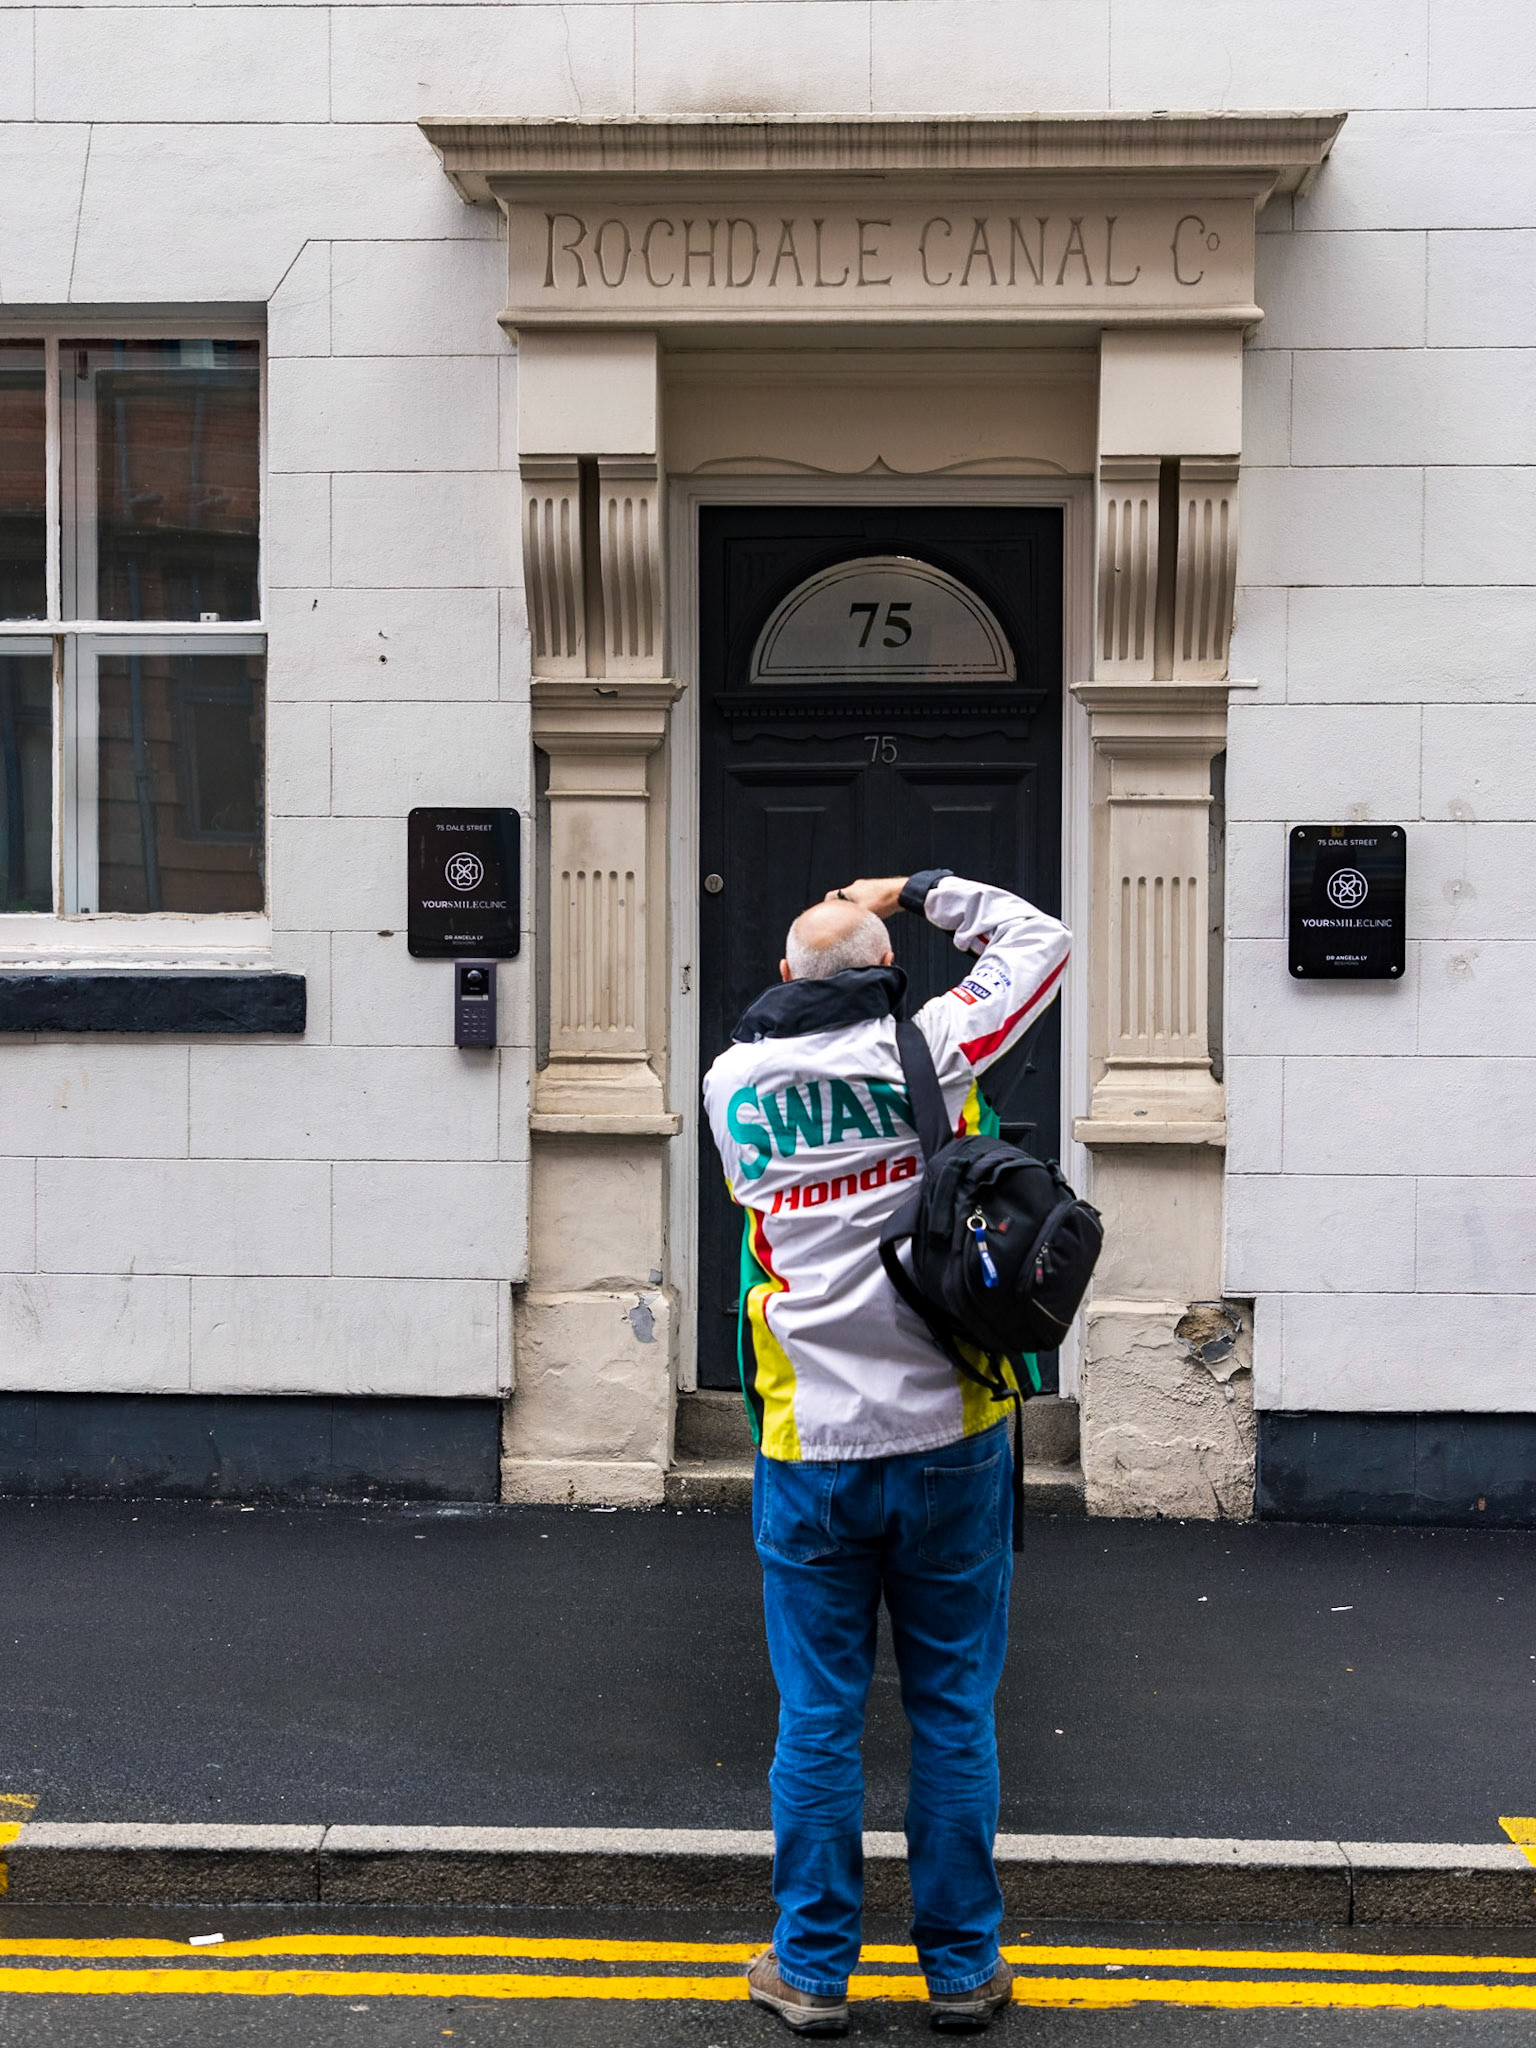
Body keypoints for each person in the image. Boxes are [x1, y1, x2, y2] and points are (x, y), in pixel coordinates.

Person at [702, 869, 1072, 2037]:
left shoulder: (729, 1083)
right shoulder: (936, 1045)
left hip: (805, 1438)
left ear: (780, 981)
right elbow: (1038, 939)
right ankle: (963, 1967)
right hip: (952, 1432)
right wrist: (909, 887)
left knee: (818, 1712)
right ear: (887, 977)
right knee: (953, 1704)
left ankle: (811, 1968)